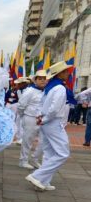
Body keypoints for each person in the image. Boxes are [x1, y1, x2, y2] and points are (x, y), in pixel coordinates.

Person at [26, 61, 73, 191]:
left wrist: (40, 117)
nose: (68, 73)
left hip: (47, 122)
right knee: (63, 153)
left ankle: (43, 181)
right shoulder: (60, 88)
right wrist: (44, 118)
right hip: (52, 122)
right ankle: (37, 176)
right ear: (60, 74)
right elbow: (54, 109)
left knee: (50, 152)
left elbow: (42, 105)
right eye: (65, 71)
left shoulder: (51, 86)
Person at [17, 70, 47, 169]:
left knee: (42, 141)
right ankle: (23, 160)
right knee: (27, 140)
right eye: (40, 78)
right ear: (35, 80)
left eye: (44, 78)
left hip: (42, 119)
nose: (43, 80)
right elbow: (21, 105)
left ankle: (35, 159)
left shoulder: (47, 91)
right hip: (30, 117)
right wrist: (23, 116)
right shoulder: (30, 91)